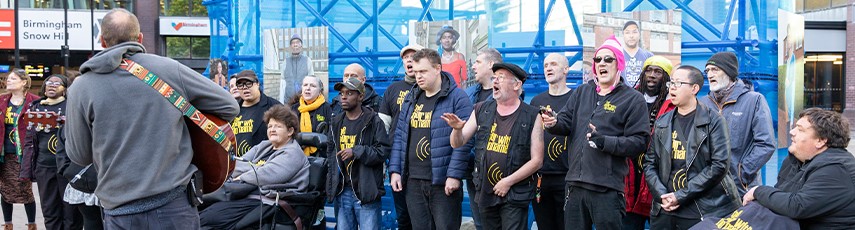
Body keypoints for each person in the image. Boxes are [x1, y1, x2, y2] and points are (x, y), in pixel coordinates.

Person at [65, 9, 240, 229]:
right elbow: (230, 106)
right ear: (140, 38)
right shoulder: (168, 69)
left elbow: (79, 156)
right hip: (174, 207)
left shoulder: (81, 87)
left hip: (119, 212)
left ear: (102, 41)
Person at [541, 35, 649, 230]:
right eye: (598, 59)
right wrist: (553, 121)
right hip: (574, 185)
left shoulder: (633, 99)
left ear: (619, 64)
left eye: (609, 59)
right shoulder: (582, 91)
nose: (602, 63)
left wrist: (605, 141)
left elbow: (639, 142)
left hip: (607, 190)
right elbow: (565, 122)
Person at [444, 62, 544, 230]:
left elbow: (537, 161)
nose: (495, 81)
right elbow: (457, 143)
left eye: (501, 78)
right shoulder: (481, 109)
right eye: (494, 77)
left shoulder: (533, 115)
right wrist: (456, 130)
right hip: (485, 191)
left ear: (517, 84)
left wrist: (507, 182)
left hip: (514, 194)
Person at [644, 66, 741, 229]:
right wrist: (662, 195)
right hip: (665, 210)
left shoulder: (714, 121)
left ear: (694, 88)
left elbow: (719, 166)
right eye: (671, 83)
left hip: (701, 210)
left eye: (678, 83)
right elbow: (649, 163)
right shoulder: (663, 122)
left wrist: (680, 196)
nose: (672, 87)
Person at [389, 49, 473, 230]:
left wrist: (453, 175)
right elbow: (400, 137)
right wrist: (395, 170)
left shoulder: (458, 97)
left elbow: (465, 141)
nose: (418, 76)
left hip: (442, 183)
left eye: (423, 71)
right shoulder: (411, 98)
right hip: (413, 181)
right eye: (416, 71)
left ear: (437, 69)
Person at [200, 105, 311, 229]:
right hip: (247, 193)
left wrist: (243, 175)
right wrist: (248, 172)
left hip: (270, 200)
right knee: (201, 208)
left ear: (290, 131)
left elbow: (267, 174)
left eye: (278, 126)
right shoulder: (264, 145)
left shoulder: (293, 152)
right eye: (270, 126)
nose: (272, 130)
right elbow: (238, 164)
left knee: (210, 218)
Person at [742, 108, 855, 229]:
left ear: (821, 141)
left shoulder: (836, 168)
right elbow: (780, 198)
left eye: (800, 130)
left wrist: (758, 191)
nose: (792, 132)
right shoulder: (795, 160)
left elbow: (798, 206)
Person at [699, 52, 775, 196]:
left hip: (741, 189)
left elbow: (766, 144)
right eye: (707, 70)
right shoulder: (702, 103)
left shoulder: (754, 100)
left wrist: (741, 173)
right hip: (707, 189)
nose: (709, 75)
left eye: (715, 70)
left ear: (729, 72)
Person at [326, 77, 390, 230]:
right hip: (342, 191)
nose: (344, 97)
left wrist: (356, 151)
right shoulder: (336, 122)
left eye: (349, 93)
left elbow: (383, 151)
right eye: (342, 93)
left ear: (361, 96)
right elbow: (330, 153)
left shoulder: (373, 121)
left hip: (366, 191)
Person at [21, 74, 80, 230]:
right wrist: (26, 169)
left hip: (68, 167)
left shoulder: (72, 106)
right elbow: (29, 141)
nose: (52, 85)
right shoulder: (36, 107)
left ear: (65, 89)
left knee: (71, 212)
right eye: (49, 82)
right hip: (44, 167)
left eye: (57, 83)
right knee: (49, 211)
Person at [623, 55, 675, 230]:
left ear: (666, 78)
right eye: (649, 71)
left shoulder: (672, 104)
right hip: (630, 176)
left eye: (658, 72)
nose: (652, 75)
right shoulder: (629, 98)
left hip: (658, 179)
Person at [378, 44, 424, 230]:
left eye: (414, 56)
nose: (409, 60)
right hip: (398, 162)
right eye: (406, 58)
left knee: (424, 217)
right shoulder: (393, 89)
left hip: (423, 162)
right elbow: (383, 127)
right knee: (403, 215)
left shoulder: (431, 89)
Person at [461, 47, 503, 230]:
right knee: (479, 222)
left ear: (491, 65)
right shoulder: (470, 93)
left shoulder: (507, 93)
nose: (474, 67)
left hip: (498, 169)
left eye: (478, 62)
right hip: (473, 167)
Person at [529, 53, 572, 230]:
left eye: (553, 64)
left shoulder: (576, 98)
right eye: (546, 65)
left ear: (566, 69)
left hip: (568, 178)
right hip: (541, 177)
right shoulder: (537, 101)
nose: (548, 68)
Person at [0, 69, 39, 230]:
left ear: (24, 82)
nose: (8, 81)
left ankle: (31, 223)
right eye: (8, 79)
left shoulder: (35, 101)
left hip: (25, 154)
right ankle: (8, 223)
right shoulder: (2, 100)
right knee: (5, 188)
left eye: (13, 79)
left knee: (25, 189)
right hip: (4, 153)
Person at [232, 70, 283, 157]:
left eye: (248, 83)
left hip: (263, 162)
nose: (244, 87)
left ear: (257, 84)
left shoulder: (274, 107)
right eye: (240, 85)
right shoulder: (233, 110)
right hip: (236, 164)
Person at [289, 75, 332, 156]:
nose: (308, 88)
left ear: (320, 91)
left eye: (312, 86)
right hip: (296, 155)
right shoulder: (293, 109)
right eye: (305, 85)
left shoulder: (328, 109)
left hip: (321, 156)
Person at [279, 34, 315, 103]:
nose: (295, 45)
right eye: (293, 43)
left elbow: (312, 81)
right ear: (290, 46)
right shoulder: (285, 62)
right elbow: (282, 83)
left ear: (301, 46)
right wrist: (281, 102)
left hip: (304, 101)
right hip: (288, 101)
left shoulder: (307, 60)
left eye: (297, 42)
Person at [621, 21, 654, 86]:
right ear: (623, 35)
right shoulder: (617, 55)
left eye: (634, 32)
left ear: (639, 34)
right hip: (622, 95)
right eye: (627, 32)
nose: (631, 36)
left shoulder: (649, 56)